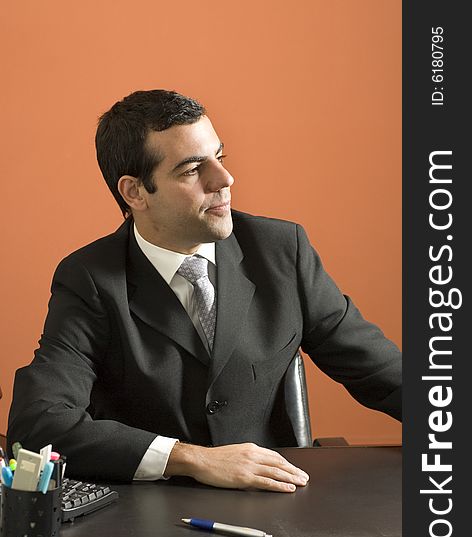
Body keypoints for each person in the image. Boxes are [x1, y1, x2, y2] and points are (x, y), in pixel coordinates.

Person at [7, 90, 401, 493]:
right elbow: (38, 423)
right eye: (193, 169)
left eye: (220, 157)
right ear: (135, 192)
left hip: (276, 507)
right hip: (147, 522)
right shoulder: (89, 279)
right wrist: (190, 458)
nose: (224, 179)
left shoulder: (282, 250)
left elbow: (381, 372)